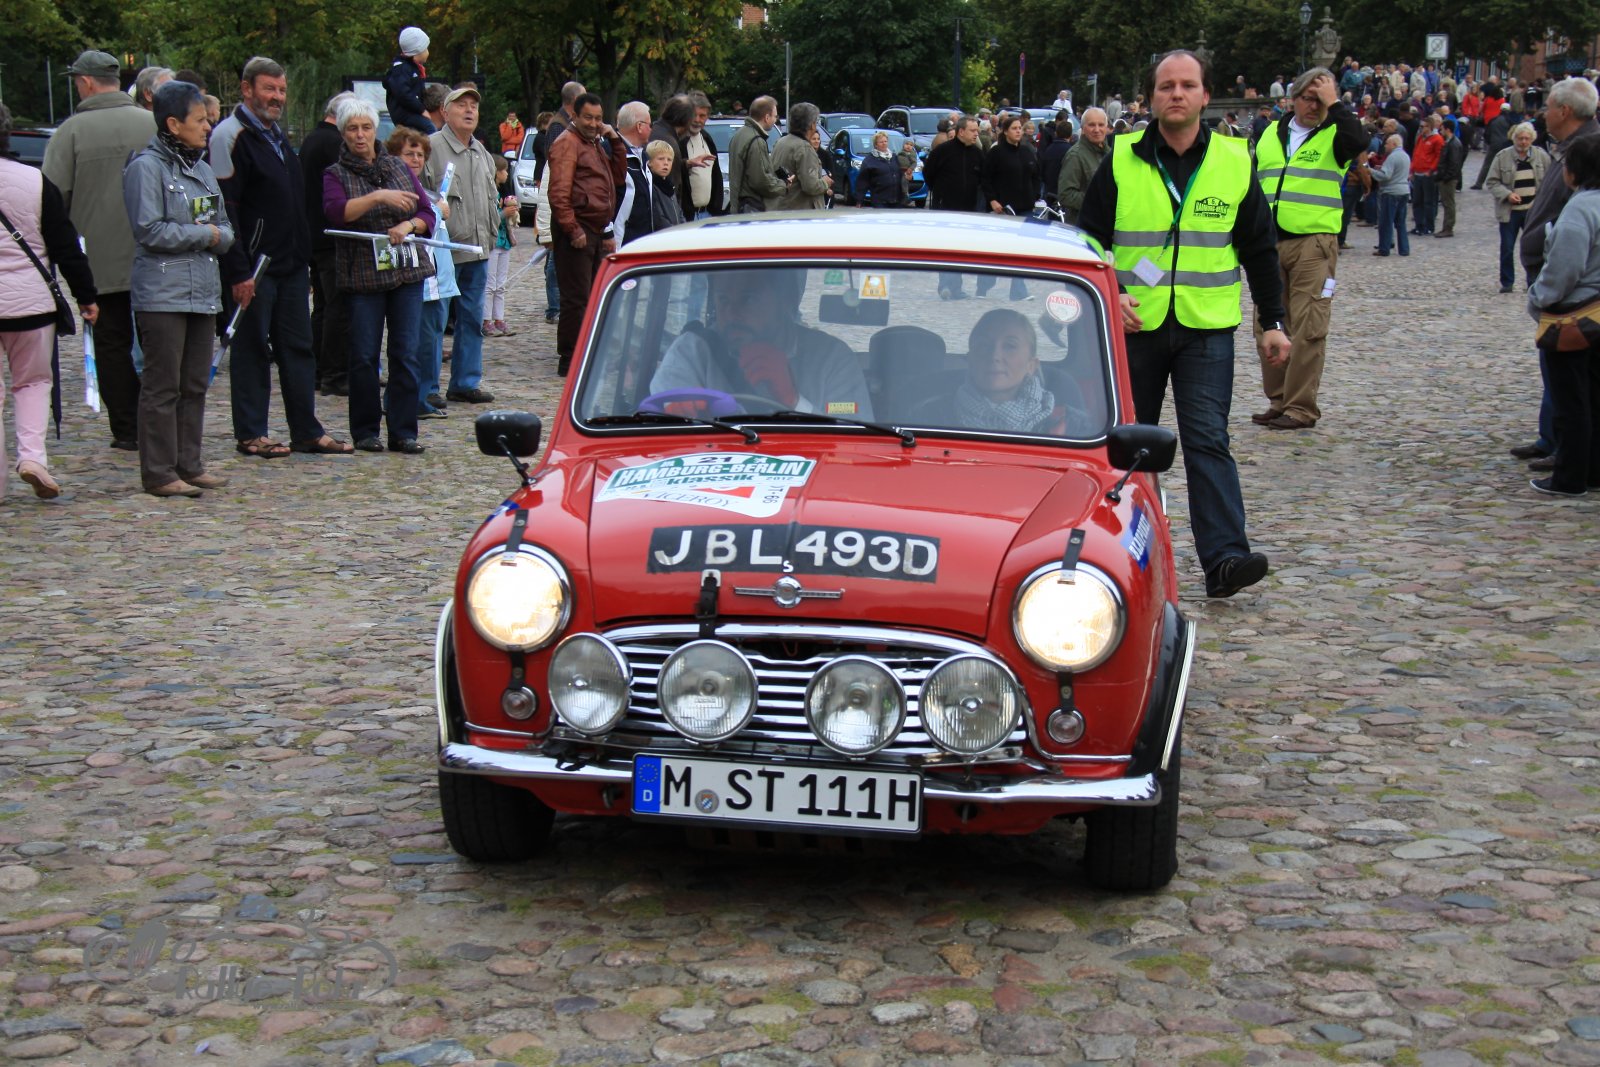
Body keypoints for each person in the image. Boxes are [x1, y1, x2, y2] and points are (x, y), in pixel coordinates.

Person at [1076, 49, 1289, 598]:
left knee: (1207, 440)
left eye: (1187, 85)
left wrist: (1273, 320)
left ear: (1204, 95)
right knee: (1126, 445)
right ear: (1150, 98)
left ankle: (1225, 559)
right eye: (1166, 85)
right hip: (1133, 328)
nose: (1176, 93)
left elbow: (1260, 248)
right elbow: (1089, 240)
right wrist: (1112, 294)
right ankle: (1113, 557)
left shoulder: (1234, 161)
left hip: (1206, 329)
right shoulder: (1121, 159)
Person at [211, 56, 349, 459]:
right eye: (269, 88)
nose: (277, 97)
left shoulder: (275, 136)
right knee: (253, 348)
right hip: (253, 266)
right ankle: (251, 431)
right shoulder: (230, 136)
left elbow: (294, 202)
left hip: (288, 263)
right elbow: (226, 208)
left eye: (282, 90)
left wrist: (302, 255)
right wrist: (238, 269)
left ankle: (306, 429)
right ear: (247, 89)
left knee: (298, 347)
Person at [122, 81, 234, 498]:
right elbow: (149, 230)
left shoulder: (202, 169)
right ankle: (159, 471)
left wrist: (215, 235)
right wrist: (204, 235)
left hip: (202, 292)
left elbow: (225, 227)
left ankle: (190, 463)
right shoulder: (145, 168)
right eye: (200, 120)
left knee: (194, 383)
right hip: (162, 293)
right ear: (173, 123)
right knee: (162, 385)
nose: (208, 127)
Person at [41, 50, 154, 453]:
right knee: (159, 342)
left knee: (111, 343)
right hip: (156, 254)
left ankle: (127, 427)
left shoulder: (70, 132)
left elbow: (51, 199)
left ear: (86, 82)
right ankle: (162, 422)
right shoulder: (152, 123)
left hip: (99, 262)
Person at [1251, 67, 1365, 431]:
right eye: (1308, 98)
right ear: (1293, 99)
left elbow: (1359, 140)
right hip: (1270, 243)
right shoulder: (1270, 134)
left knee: (1308, 327)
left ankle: (1300, 407)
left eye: (1321, 100)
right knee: (1268, 323)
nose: (1314, 106)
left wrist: (1336, 104)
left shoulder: (1336, 134)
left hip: (1314, 243)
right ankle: (1278, 399)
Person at [322, 97, 436, 455]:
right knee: (364, 355)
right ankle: (365, 429)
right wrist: (378, 198)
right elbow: (336, 212)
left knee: (406, 352)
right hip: (363, 275)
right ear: (343, 133)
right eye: (353, 129)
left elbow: (427, 214)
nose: (360, 135)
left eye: (366, 128)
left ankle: (403, 431)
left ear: (376, 131)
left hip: (406, 271)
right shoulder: (335, 174)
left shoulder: (398, 166)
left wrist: (409, 225)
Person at [0, 103, 98, 500]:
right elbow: (65, 246)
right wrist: (86, 296)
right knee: (33, 382)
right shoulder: (35, 181)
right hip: (31, 305)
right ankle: (32, 458)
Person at [1513, 78, 1600, 470]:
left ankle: (1568, 451)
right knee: (1557, 366)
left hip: (1573, 289)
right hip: (1554, 274)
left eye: (1548, 106)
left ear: (1565, 111)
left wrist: (1543, 293)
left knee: (1571, 372)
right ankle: (1553, 437)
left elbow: (1575, 237)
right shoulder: (1567, 146)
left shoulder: (1587, 149)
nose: (1543, 113)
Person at [650, 269, 872, 416]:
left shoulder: (831, 359)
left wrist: (793, 399)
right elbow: (659, 434)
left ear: (785, 302)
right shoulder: (691, 352)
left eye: (748, 299)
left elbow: (854, 445)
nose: (732, 313)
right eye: (723, 299)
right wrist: (680, 413)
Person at [1525, 134, 1600, 497]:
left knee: (1571, 401)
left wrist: (1538, 300)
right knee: (1595, 398)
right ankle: (1593, 471)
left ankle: (1569, 477)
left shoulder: (1581, 209)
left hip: (1575, 316)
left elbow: (1563, 269)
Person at [424, 85, 501, 403]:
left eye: (474, 106)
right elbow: (420, 193)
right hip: (443, 251)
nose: (469, 110)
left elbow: (491, 198)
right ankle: (427, 388)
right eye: (461, 105)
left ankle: (465, 382)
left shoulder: (482, 152)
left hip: (477, 249)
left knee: (471, 319)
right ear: (445, 112)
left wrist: (493, 233)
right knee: (435, 320)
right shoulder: (431, 147)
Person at [546, 92, 627, 376]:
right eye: (588, 118)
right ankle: (570, 359)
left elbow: (617, 177)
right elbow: (558, 192)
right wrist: (572, 228)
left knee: (592, 295)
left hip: (594, 227)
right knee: (576, 298)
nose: (594, 123)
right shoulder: (567, 143)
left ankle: (586, 353)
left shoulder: (593, 143)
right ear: (575, 116)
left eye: (598, 118)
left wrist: (614, 139)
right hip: (578, 228)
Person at [912, 309, 1077, 434]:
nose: (995, 356)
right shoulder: (928, 418)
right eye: (984, 345)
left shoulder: (1070, 425)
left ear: (1031, 365)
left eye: (1010, 346)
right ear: (970, 359)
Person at [389, 127, 453, 419]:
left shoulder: (428, 192)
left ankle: (424, 393)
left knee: (432, 340)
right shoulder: (398, 191)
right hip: (419, 280)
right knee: (416, 344)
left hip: (439, 278)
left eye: (419, 154)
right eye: (408, 154)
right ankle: (412, 398)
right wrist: (437, 211)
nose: (415, 159)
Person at [302, 92, 354, 397]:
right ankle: (335, 373)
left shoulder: (312, 139)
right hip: (332, 235)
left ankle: (319, 371)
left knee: (323, 306)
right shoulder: (333, 143)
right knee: (337, 307)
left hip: (315, 233)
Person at [924, 116, 985, 300]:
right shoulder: (943, 151)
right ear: (961, 132)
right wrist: (940, 192)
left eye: (977, 131)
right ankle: (945, 285)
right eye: (972, 131)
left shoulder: (977, 154)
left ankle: (956, 287)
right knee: (946, 248)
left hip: (968, 210)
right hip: (945, 208)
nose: (976, 134)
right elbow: (928, 173)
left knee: (960, 250)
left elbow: (983, 179)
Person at [1485, 124, 1549, 293]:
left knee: (1534, 248)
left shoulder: (1541, 156)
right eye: (1520, 138)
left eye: (1527, 139)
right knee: (1507, 247)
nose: (1523, 142)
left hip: (1533, 211)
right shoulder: (1502, 156)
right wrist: (1507, 194)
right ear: (1514, 139)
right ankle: (1507, 282)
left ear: (1532, 139)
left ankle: (1534, 281)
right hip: (1510, 211)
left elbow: (1550, 181)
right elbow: (1492, 181)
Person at [727, 96, 788, 213]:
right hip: (752, 207)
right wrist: (783, 185)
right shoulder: (756, 140)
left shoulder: (739, 134)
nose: (776, 119)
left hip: (740, 205)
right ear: (767, 117)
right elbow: (760, 181)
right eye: (775, 116)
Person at [770, 103, 830, 210]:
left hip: (781, 207)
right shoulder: (804, 148)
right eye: (816, 122)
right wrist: (825, 182)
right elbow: (810, 186)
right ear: (812, 125)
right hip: (801, 212)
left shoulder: (781, 142)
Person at [1057, 107, 1110, 224]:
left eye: (1101, 125)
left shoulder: (1110, 153)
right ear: (1083, 129)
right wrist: (1098, 200)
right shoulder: (1075, 156)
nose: (1097, 129)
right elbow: (1065, 195)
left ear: (1106, 127)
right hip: (1084, 227)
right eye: (1091, 125)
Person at [484, 155, 517, 336]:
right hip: (493, 242)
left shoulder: (502, 193)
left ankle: (499, 317)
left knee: (501, 283)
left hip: (504, 242)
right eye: (503, 170)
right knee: (490, 284)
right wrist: (504, 213)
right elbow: (489, 218)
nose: (506, 174)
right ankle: (486, 320)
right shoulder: (490, 194)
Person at [681, 91, 726, 220]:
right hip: (686, 216)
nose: (697, 120)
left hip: (708, 213)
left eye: (702, 116)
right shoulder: (678, 140)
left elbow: (716, 176)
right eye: (694, 115)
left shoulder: (707, 138)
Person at [385, 27, 434, 134]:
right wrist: (421, 110)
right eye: (425, 49)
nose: (428, 52)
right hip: (405, 113)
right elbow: (403, 93)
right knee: (430, 128)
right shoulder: (401, 69)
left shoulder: (412, 68)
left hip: (411, 111)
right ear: (416, 52)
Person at [1371, 134, 1411, 256]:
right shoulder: (1405, 155)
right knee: (1401, 223)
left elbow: (1385, 176)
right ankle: (1404, 249)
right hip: (1404, 190)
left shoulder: (1392, 157)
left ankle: (1384, 248)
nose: (1385, 146)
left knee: (1386, 222)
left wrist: (1371, 171)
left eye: (1387, 143)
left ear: (1394, 144)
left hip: (1391, 192)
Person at [1409, 114, 1443, 235]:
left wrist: (1431, 170)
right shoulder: (1420, 138)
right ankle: (1419, 225)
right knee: (1417, 201)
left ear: (1430, 127)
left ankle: (1429, 226)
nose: (1421, 128)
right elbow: (1416, 154)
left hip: (1428, 174)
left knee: (1428, 202)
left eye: (1423, 126)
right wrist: (1412, 170)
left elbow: (1438, 157)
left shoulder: (1437, 139)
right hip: (1418, 173)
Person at [1434, 116, 1465, 237]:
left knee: (1448, 203)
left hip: (1449, 179)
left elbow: (1454, 164)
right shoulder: (1450, 142)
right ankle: (1446, 227)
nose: (1440, 131)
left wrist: (1446, 177)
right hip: (1447, 177)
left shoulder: (1453, 144)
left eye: (1442, 129)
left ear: (1447, 129)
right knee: (1447, 203)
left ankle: (1448, 227)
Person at [646, 140, 686, 233]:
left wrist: (684, 229)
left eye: (669, 160)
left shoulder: (669, 186)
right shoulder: (650, 186)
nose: (666, 163)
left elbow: (679, 212)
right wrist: (675, 232)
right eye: (661, 159)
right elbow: (659, 219)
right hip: (665, 235)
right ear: (649, 162)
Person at [859, 132, 904, 207]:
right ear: (876, 145)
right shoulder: (869, 160)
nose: (884, 144)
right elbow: (862, 181)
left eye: (885, 141)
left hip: (897, 201)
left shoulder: (894, 157)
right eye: (881, 142)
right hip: (880, 201)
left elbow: (901, 174)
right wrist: (859, 200)